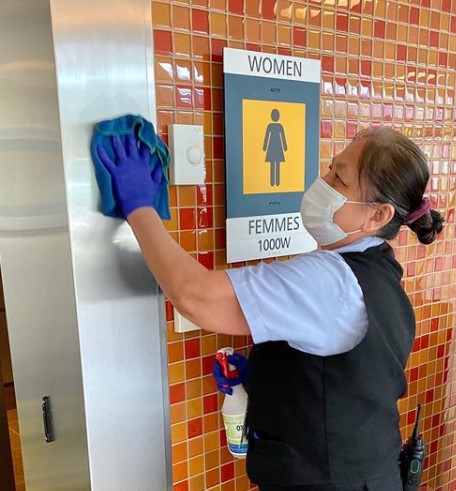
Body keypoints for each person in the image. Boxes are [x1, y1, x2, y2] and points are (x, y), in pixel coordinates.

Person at [97, 127, 444, 491]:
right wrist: (273, 374)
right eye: (329, 169)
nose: (322, 183)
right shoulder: (379, 268)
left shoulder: (330, 279)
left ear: (377, 216)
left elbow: (193, 295)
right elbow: (345, 372)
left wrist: (138, 206)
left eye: (338, 179)